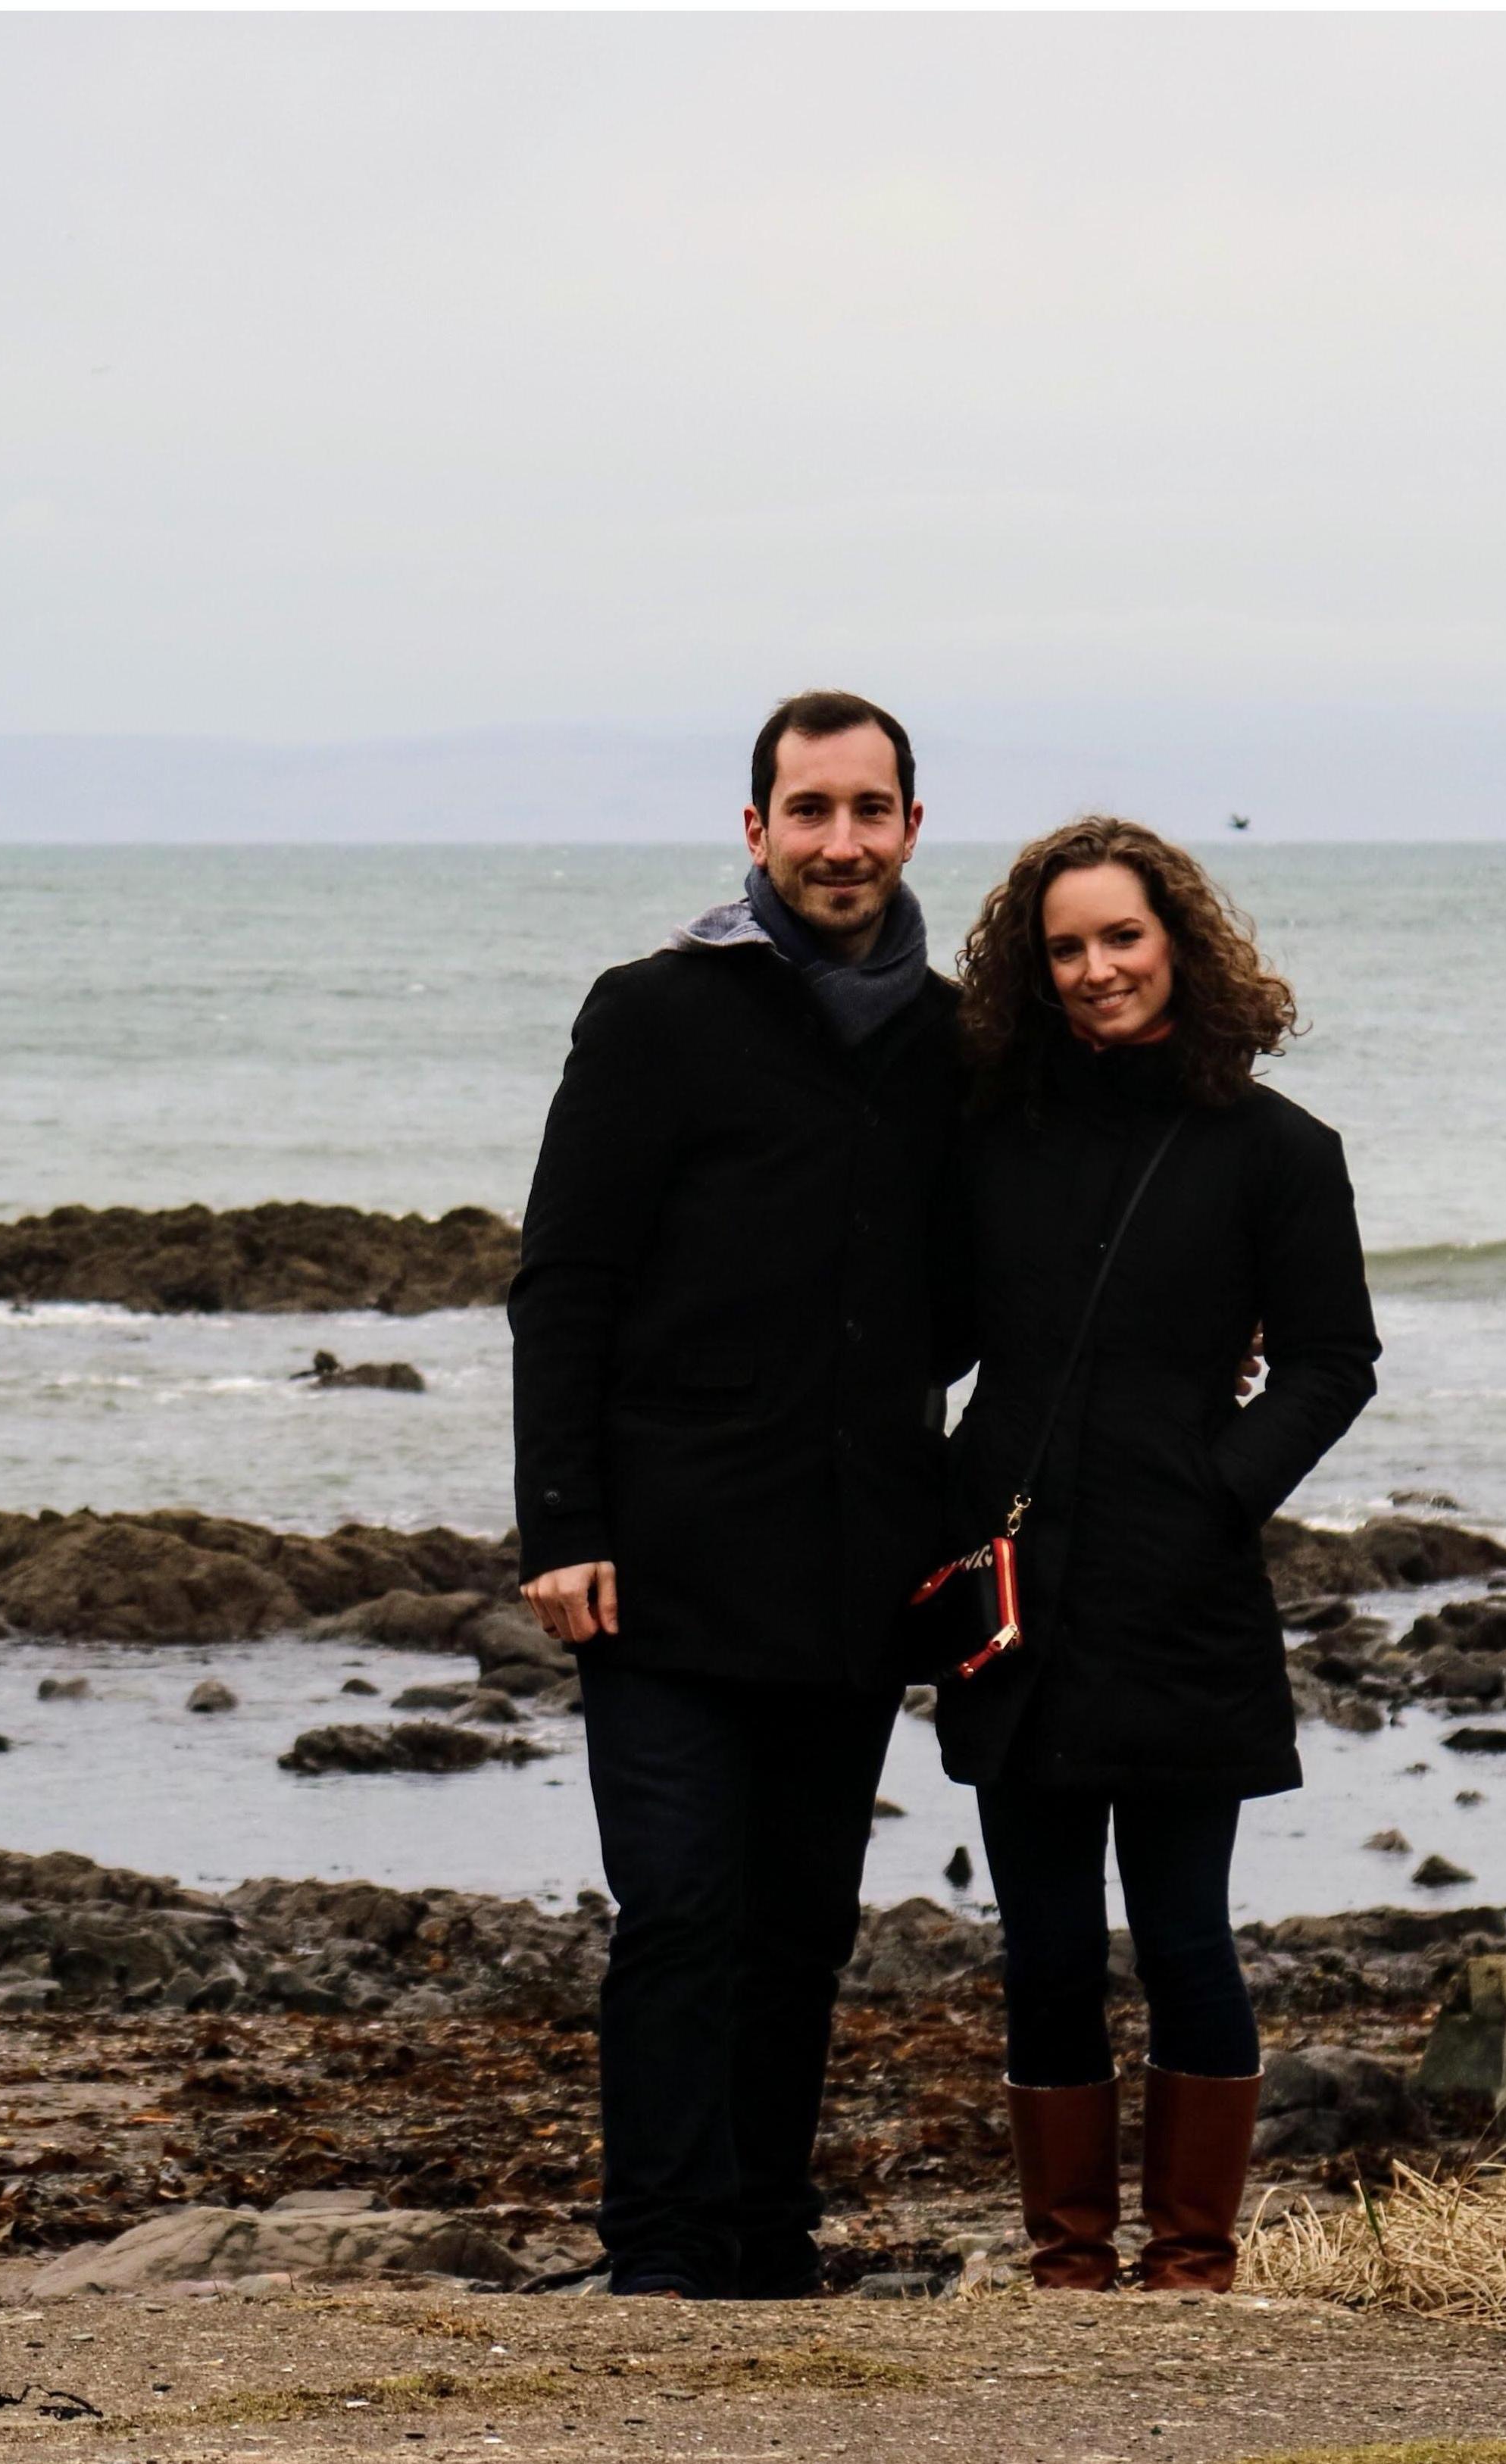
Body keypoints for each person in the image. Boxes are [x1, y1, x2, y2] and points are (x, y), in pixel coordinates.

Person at [509, 690, 962, 2299]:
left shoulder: (954, 1042)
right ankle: (659, 2254)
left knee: (801, 1935)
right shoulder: (656, 1011)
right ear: (756, 829)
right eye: (811, 809)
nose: (843, 841)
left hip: (857, 1566)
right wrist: (561, 1525)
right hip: (665, 1563)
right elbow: (564, 1282)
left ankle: (768, 2242)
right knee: (684, 1915)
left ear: (913, 827)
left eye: (872, 809)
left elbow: (991, 1285)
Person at [938, 816, 1379, 2293]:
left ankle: (1193, 2261)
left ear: (1178, 939)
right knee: (1045, 1949)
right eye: (1065, 948)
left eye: (1121, 937)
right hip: (1014, 1598)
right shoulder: (990, 1131)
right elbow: (929, 1331)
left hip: (1183, 1593)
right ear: (1033, 966)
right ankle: (1068, 2261)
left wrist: (1218, 1488)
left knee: (1186, 1937)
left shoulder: (1278, 1152)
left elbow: (1331, 1362)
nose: (1096, 969)